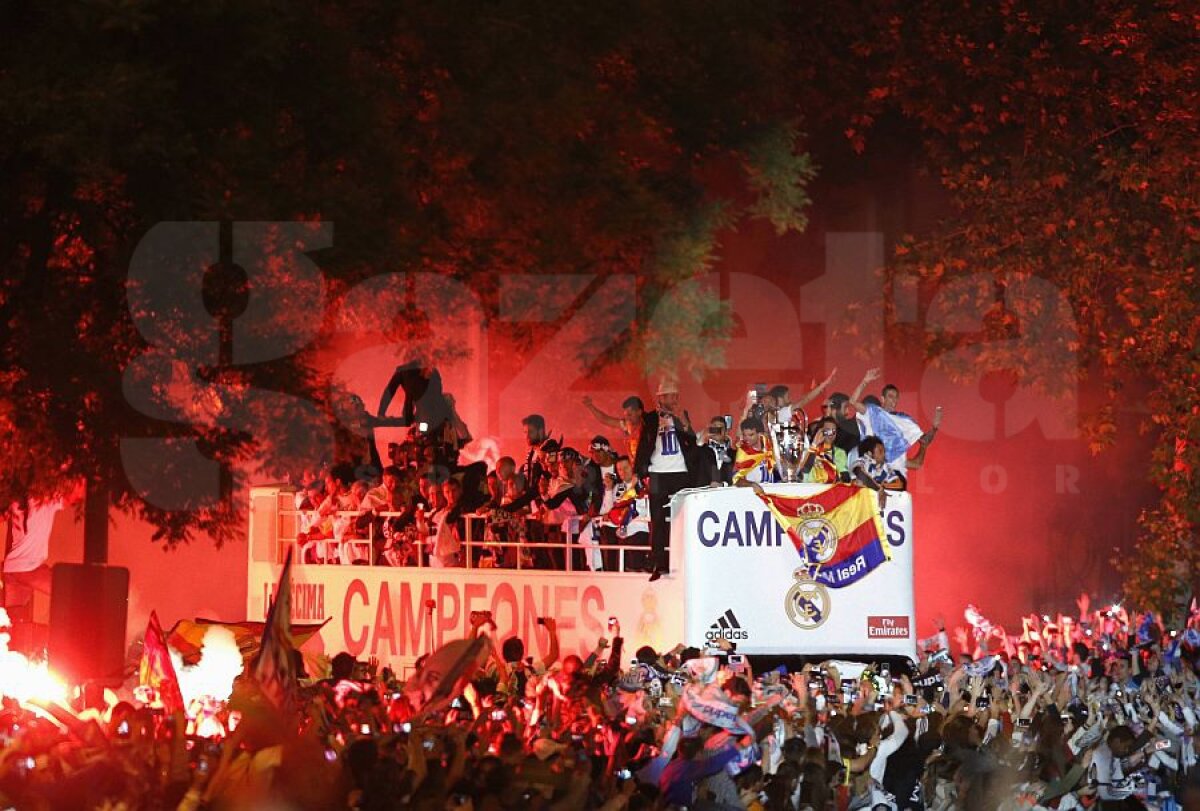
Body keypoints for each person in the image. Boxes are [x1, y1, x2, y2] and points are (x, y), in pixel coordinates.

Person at [731, 417, 777, 492]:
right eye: (744, 435)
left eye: (751, 435)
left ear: (760, 434)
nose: (746, 438)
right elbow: (736, 480)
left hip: (770, 493)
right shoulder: (743, 453)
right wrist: (751, 485)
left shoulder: (769, 448)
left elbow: (777, 469)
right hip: (752, 496)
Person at [698, 416, 734, 486]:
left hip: (726, 493)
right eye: (715, 428)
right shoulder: (701, 450)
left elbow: (736, 476)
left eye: (721, 428)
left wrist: (723, 485)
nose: (718, 431)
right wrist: (702, 437)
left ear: (726, 432)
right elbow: (691, 464)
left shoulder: (733, 453)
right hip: (703, 493)